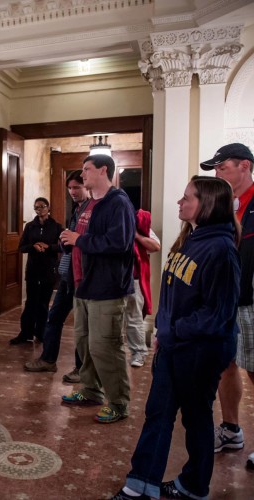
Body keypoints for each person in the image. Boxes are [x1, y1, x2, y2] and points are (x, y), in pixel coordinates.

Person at [112, 176, 240, 500]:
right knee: (159, 412)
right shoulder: (191, 238)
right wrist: (162, 331)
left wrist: (173, 330)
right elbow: (174, 294)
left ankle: (194, 486)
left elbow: (217, 314)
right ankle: (141, 485)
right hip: (174, 345)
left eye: (186, 198)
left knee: (196, 419)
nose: (179, 203)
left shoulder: (221, 249)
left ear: (206, 205)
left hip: (200, 350)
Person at [60, 154, 135, 424]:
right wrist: (68, 241)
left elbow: (120, 243)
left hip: (107, 287)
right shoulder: (88, 203)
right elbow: (79, 237)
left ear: (104, 170)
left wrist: (80, 239)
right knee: (84, 344)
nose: (82, 175)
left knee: (106, 346)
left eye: (87, 170)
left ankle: (118, 402)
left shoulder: (118, 204)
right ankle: (91, 390)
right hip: (83, 284)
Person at [200, 143, 254, 468]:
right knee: (226, 363)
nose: (218, 174)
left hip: (250, 299)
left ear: (245, 166)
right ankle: (231, 429)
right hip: (224, 300)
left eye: (223, 167)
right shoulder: (223, 206)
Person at [23, 171, 87, 379]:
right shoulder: (77, 211)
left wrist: (55, 245)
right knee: (54, 318)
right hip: (67, 276)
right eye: (70, 188)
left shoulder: (94, 210)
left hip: (82, 277)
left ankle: (81, 368)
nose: (72, 192)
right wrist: (63, 242)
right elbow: (67, 241)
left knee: (81, 326)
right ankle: (48, 360)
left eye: (77, 187)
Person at [10, 197, 62, 345]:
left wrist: (48, 247)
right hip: (33, 270)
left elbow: (62, 247)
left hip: (48, 269)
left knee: (44, 304)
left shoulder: (56, 226)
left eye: (42, 207)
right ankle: (25, 333)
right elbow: (21, 247)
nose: (39, 210)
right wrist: (33, 246)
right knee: (30, 303)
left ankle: (41, 333)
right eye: (36, 207)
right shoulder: (30, 227)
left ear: (48, 208)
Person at [124, 210, 160, 368]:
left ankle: (139, 352)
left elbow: (155, 246)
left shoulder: (139, 225)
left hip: (134, 278)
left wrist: (136, 235)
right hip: (110, 279)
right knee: (111, 318)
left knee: (134, 318)